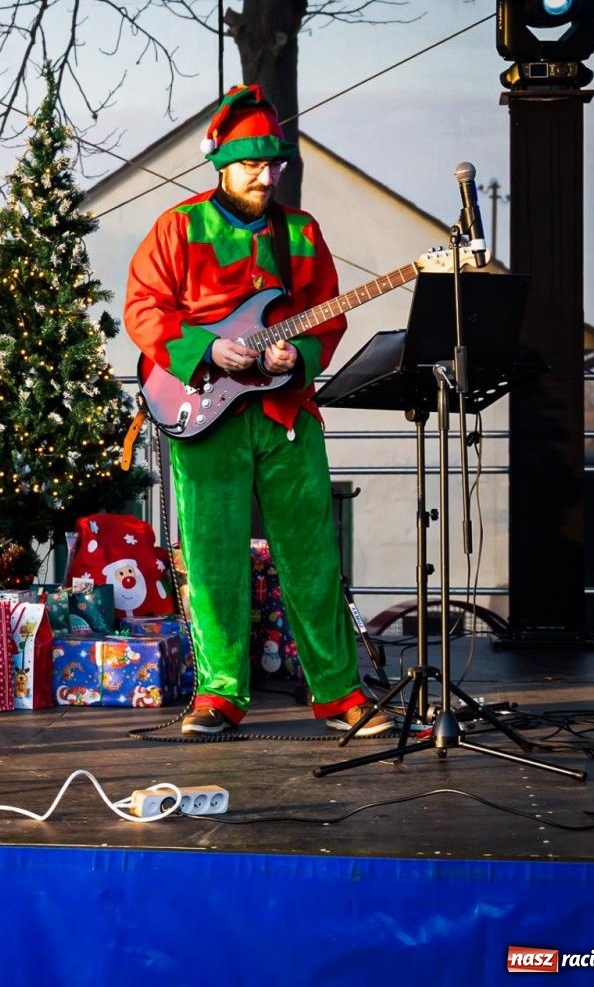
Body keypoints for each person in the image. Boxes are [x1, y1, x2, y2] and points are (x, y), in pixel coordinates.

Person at [124, 84, 392, 739]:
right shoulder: (178, 227)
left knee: (312, 557)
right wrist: (208, 347)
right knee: (214, 560)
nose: (265, 176)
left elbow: (328, 314)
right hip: (202, 412)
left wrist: (295, 354)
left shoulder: (300, 232)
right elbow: (142, 311)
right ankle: (218, 695)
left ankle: (339, 694)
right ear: (221, 165)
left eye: (273, 165)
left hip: (287, 414)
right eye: (251, 165)